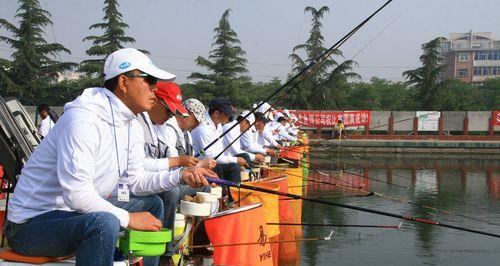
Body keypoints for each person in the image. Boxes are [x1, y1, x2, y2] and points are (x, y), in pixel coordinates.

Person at [5, 48, 216, 266]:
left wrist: (181, 175)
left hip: (76, 214)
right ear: (124, 82)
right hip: (31, 224)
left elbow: (135, 180)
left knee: (153, 204)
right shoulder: (83, 120)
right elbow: (76, 194)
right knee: (104, 223)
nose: (155, 88)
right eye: (149, 80)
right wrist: (128, 218)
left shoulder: (131, 123)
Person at [191, 98, 248, 183]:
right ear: (216, 113)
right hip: (203, 163)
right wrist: (235, 160)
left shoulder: (219, 125)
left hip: (214, 161)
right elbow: (211, 156)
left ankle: (231, 191)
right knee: (233, 167)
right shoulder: (203, 128)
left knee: (236, 163)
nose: (229, 117)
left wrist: (234, 160)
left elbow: (219, 151)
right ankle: (231, 192)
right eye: (227, 114)